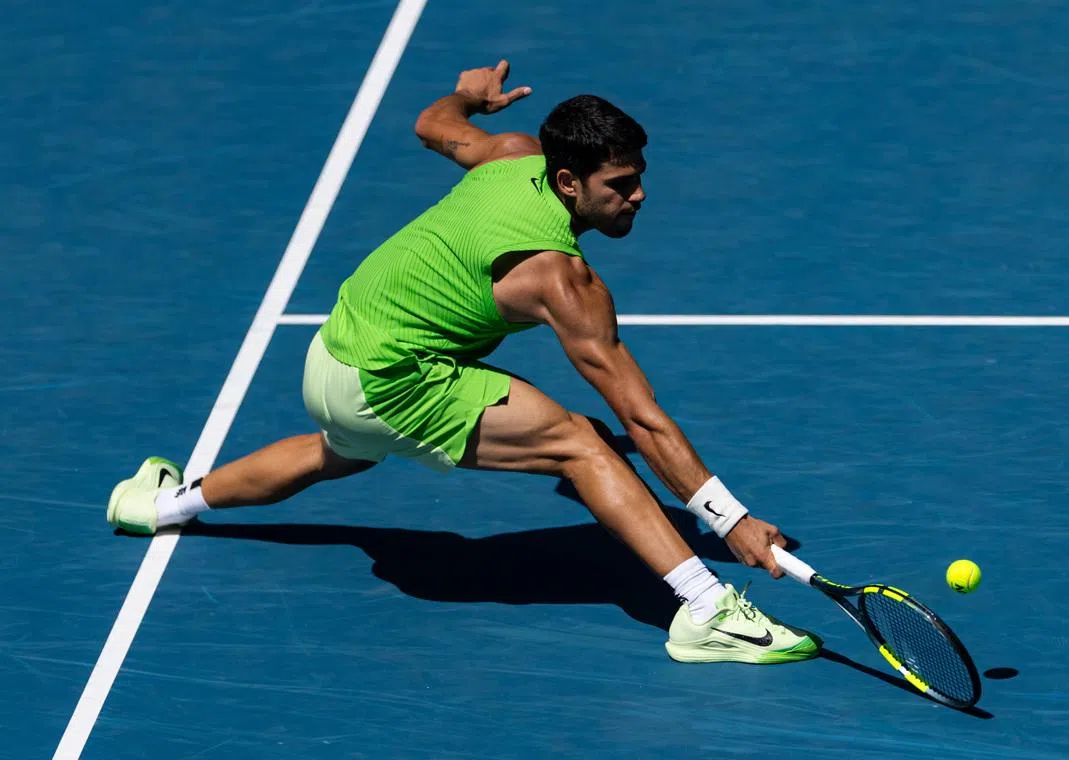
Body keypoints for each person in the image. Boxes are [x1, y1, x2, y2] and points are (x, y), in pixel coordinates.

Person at [108, 61, 820, 665]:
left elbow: (432, 124)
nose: (638, 195)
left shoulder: (511, 153)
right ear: (569, 182)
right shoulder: (562, 281)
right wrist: (729, 521)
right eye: (619, 184)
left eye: (639, 176)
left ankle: (159, 504)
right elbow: (639, 413)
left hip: (331, 359)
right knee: (579, 444)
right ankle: (707, 611)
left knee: (339, 453)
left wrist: (468, 97)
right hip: (392, 379)